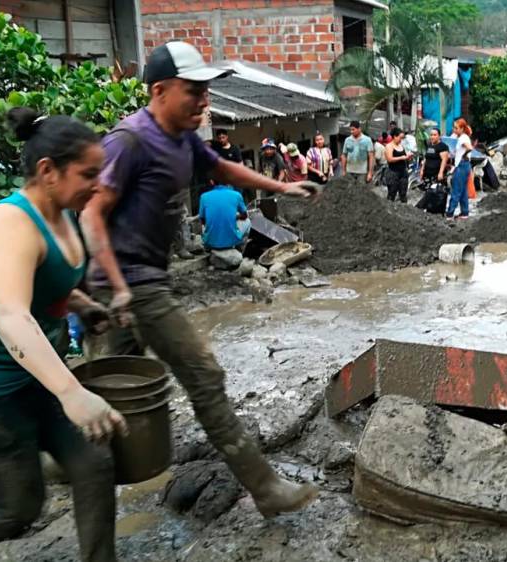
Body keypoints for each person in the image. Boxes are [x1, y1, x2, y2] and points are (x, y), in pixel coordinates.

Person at [81, 42, 318, 521]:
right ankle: (265, 488)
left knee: (110, 397)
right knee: (203, 375)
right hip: (128, 285)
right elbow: (91, 213)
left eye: (205, 91)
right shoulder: (127, 142)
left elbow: (219, 166)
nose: (203, 101)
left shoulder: (182, 139)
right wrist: (116, 285)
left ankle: (66, 471)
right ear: (160, 91)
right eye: (194, 91)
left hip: (139, 284)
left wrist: (279, 186)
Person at [0, 107, 125, 562]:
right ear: (48, 171)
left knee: (94, 463)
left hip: (29, 377)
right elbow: (10, 313)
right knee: (17, 506)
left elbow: (48, 284)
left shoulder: (66, 213)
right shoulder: (10, 222)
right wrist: (72, 392)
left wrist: (85, 305)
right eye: (88, 174)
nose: (98, 184)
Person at [199, 183, 249, 251]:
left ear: (211, 182)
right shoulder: (236, 195)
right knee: (247, 222)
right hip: (231, 241)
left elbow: (202, 220)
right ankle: (239, 248)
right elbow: (244, 216)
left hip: (210, 241)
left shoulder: (204, 196)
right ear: (228, 182)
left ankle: (209, 244)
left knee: (204, 226)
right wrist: (235, 217)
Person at [446, 118, 474, 220]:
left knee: (456, 190)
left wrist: (463, 155)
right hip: (465, 165)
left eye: (456, 128)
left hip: (461, 165)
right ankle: (464, 213)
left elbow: (469, 148)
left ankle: (449, 214)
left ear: (462, 128)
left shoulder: (462, 138)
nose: (454, 130)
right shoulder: (463, 137)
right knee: (463, 191)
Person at [383, 127, 413, 203]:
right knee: (392, 194)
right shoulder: (389, 146)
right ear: (395, 136)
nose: (401, 140)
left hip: (403, 172)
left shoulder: (401, 146)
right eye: (400, 138)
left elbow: (405, 157)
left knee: (403, 194)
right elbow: (389, 159)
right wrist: (401, 157)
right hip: (393, 172)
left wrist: (408, 157)